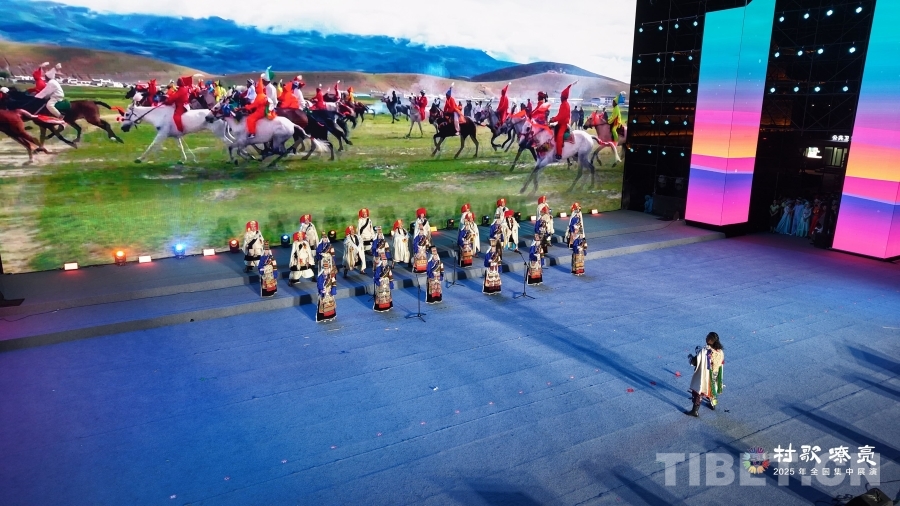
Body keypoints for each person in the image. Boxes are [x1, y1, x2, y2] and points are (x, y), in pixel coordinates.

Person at [686, 332, 725, 417]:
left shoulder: (705, 351)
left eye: (707, 337)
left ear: (710, 340)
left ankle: (695, 411)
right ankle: (713, 404)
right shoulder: (720, 351)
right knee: (712, 389)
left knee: (698, 391)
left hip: (705, 376)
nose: (706, 337)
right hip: (715, 375)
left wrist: (690, 357)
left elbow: (694, 362)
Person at [550, 82, 576, 160]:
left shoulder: (565, 105)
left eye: (561, 96)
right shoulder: (563, 104)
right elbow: (559, 115)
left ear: (564, 97)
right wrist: (553, 118)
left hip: (563, 124)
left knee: (559, 136)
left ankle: (559, 154)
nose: (560, 97)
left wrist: (554, 119)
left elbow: (561, 116)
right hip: (560, 123)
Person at [316, 256, 337, 323]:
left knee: (330, 305)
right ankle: (322, 317)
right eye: (325, 270)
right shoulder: (320, 277)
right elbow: (319, 284)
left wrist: (332, 289)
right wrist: (322, 289)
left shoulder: (330, 276)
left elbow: (334, 284)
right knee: (323, 305)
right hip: (324, 293)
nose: (326, 271)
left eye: (327, 270)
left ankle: (331, 316)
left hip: (329, 292)